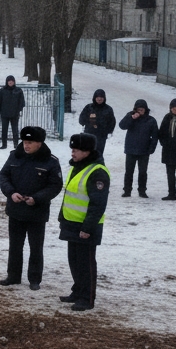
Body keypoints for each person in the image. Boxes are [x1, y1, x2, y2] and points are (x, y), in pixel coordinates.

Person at [0, 125, 64, 290]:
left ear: (39, 143)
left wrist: (37, 198)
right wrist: (11, 193)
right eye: (25, 142)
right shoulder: (15, 156)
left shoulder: (50, 161)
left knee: (36, 247)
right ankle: (13, 276)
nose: (26, 145)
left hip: (37, 212)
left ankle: (34, 279)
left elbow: (55, 185)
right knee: (15, 246)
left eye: (30, 142)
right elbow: (4, 175)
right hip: (16, 209)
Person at [58, 133, 109, 312]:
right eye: (72, 149)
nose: (73, 153)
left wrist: (88, 228)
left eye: (76, 150)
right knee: (74, 261)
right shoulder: (77, 166)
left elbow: (98, 204)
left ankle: (87, 298)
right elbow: (70, 195)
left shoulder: (97, 172)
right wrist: (62, 219)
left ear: (87, 151)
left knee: (85, 263)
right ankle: (78, 290)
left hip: (86, 227)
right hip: (72, 223)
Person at [117, 99, 159, 198]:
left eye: (142, 109)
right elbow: (122, 126)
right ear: (135, 109)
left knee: (143, 172)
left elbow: (155, 135)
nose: (140, 111)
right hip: (131, 149)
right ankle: (127, 190)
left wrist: (152, 148)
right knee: (129, 171)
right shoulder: (130, 116)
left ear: (145, 109)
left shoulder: (151, 120)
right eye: (138, 109)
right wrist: (131, 118)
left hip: (144, 150)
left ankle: (142, 191)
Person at [78, 89, 116, 159]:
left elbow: (112, 122)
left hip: (101, 136)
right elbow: (81, 120)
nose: (99, 99)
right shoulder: (89, 107)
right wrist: (89, 120)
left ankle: (98, 168)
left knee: (98, 154)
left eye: (101, 97)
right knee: (87, 154)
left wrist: (106, 130)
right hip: (89, 135)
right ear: (94, 98)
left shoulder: (108, 109)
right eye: (97, 97)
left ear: (104, 98)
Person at [0, 75, 26, 149]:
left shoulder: (18, 90)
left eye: (12, 81)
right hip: (4, 113)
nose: (10, 82)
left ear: (14, 81)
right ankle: (4, 144)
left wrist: (19, 109)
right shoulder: (2, 91)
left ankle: (16, 144)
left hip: (15, 114)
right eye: (9, 81)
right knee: (4, 130)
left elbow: (22, 101)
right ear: (7, 82)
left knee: (15, 130)